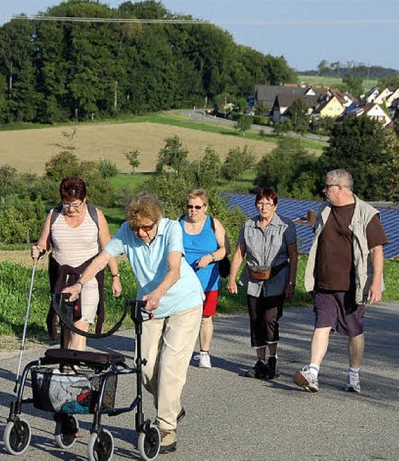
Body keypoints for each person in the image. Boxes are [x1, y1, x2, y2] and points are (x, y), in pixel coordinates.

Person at [62, 192, 204, 454]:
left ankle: (166, 426)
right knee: (144, 365)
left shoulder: (172, 229)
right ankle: (171, 405)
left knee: (171, 366)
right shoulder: (128, 231)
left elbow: (174, 269)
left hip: (183, 303)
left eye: (146, 228)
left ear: (157, 222)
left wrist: (158, 293)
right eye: (137, 228)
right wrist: (79, 284)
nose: (141, 234)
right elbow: (102, 259)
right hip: (149, 306)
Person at [294, 169, 387, 394]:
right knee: (321, 326)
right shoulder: (325, 210)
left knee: (354, 331)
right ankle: (313, 372)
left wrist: (376, 281)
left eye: (327, 187)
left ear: (340, 189)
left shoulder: (367, 213)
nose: (324, 191)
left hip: (353, 286)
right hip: (325, 285)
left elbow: (377, 249)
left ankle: (353, 375)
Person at [31, 176, 122, 351]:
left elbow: (108, 249)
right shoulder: (54, 215)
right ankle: (68, 369)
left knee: (80, 327)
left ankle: (74, 371)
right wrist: (38, 250)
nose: (71, 209)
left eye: (76, 204)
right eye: (67, 204)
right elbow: (44, 244)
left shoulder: (96, 215)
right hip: (62, 279)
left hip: (89, 278)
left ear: (84, 200)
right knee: (67, 328)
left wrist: (115, 276)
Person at [227, 187, 298, 380]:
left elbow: (293, 254)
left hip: (277, 277)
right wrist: (232, 278)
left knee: (270, 319)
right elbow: (240, 252)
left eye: (268, 203)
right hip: (253, 278)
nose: (263, 207)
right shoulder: (248, 225)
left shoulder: (286, 225)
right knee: (255, 318)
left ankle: (273, 358)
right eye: (260, 202)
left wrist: (291, 282)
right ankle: (261, 362)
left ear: (275, 205)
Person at [180, 188, 229, 368]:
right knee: (181, 317)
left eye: (198, 207)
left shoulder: (213, 224)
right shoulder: (178, 223)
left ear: (205, 207)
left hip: (208, 279)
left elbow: (225, 249)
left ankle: (204, 353)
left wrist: (210, 257)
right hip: (182, 281)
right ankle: (181, 351)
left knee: (205, 317)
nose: (193, 210)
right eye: (190, 206)